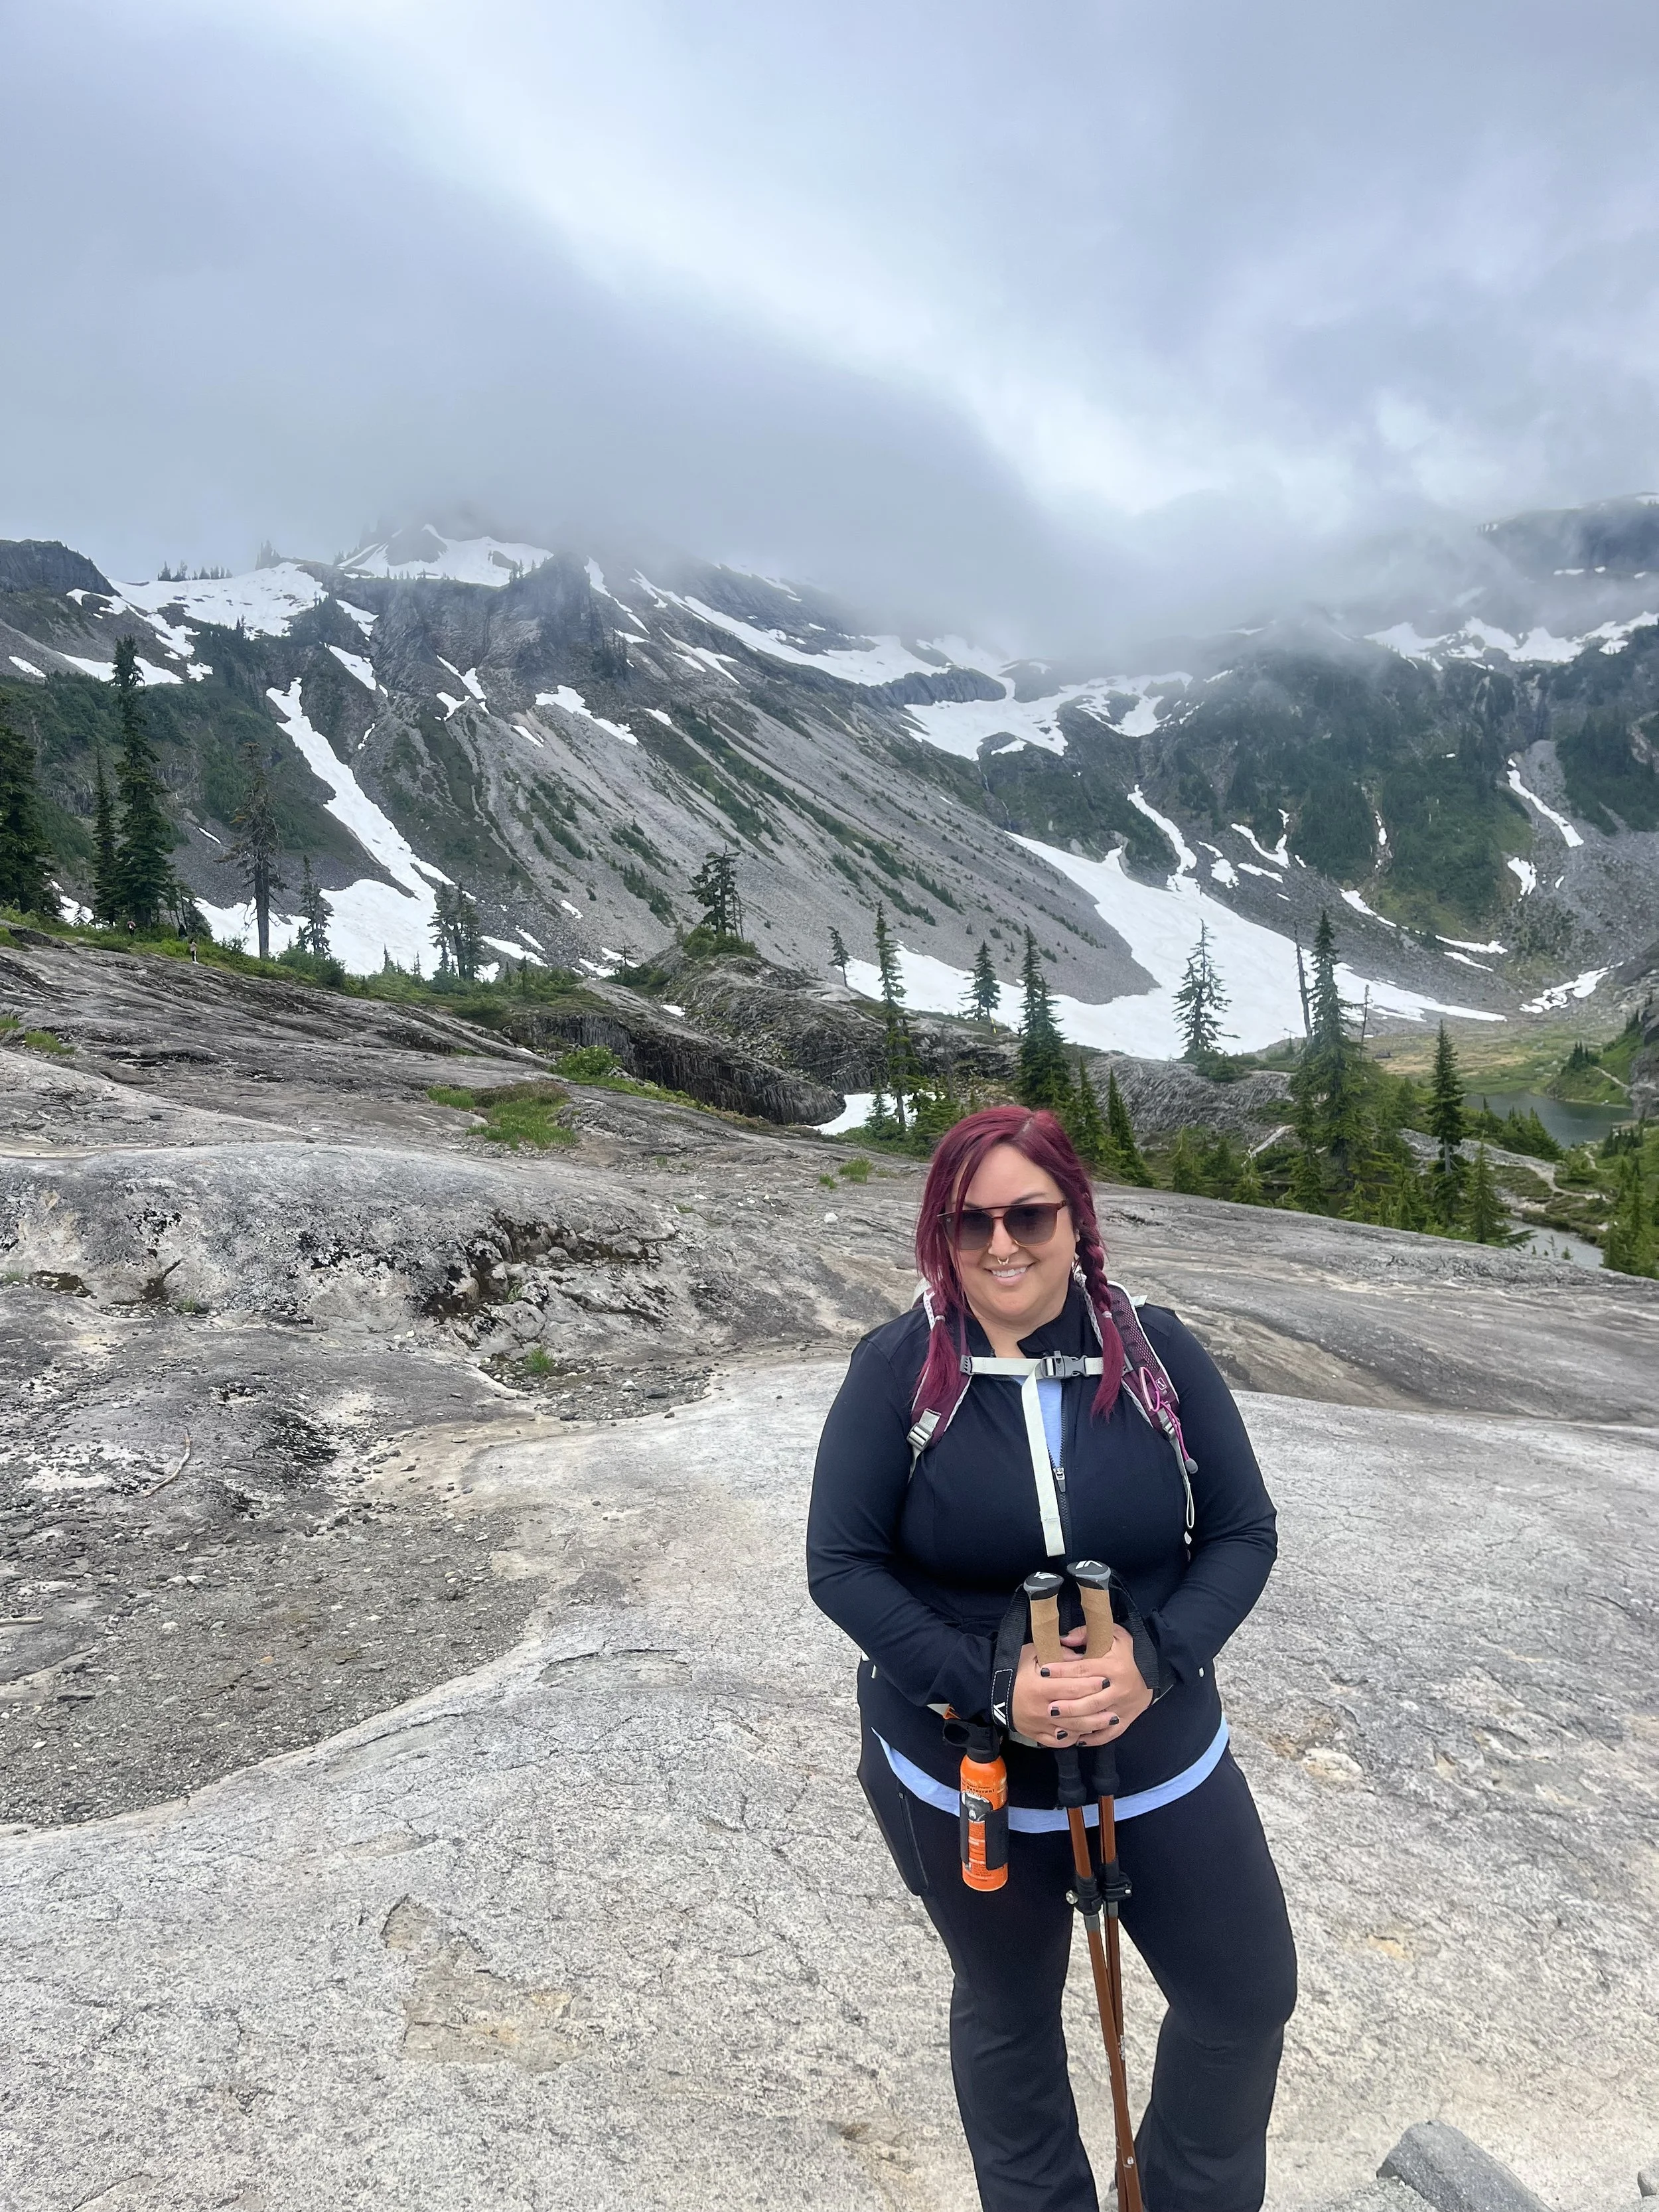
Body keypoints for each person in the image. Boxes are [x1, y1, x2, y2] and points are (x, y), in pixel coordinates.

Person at [807, 1104, 1295, 2212]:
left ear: (1077, 1219)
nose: (1000, 1245)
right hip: (966, 1770)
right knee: (1009, 2012)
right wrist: (992, 1684)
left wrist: (1153, 1660)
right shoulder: (898, 1374)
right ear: (940, 1234)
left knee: (1244, 1996)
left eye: (1028, 1213)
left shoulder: (1157, 1353)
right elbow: (841, 1566)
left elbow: (1240, 1531)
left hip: (1160, 1750)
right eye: (966, 1221)